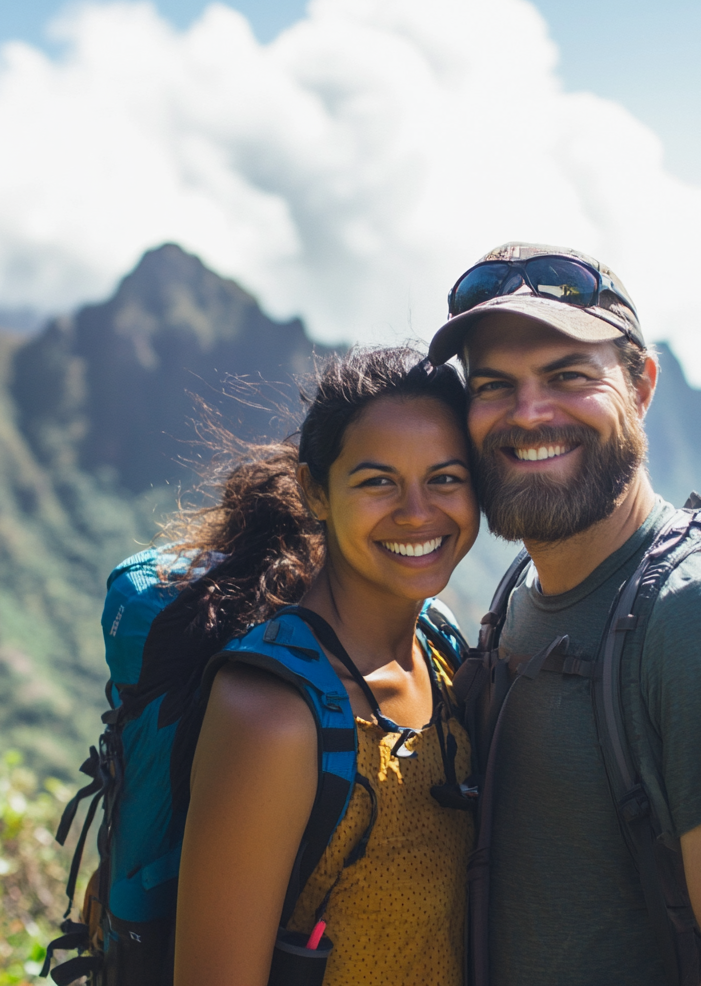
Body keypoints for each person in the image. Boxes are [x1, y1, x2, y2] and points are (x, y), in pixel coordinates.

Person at [429, 244, 701, 986]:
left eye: (568, 376)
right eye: (494, 386)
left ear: (640, 385)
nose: (529, 413)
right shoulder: (520, 592)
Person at [170, 346, 480, 986]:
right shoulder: (273, 715)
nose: (417, 511)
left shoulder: (445, 655)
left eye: (446, 477)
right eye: (377, 481)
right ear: (316, 490)